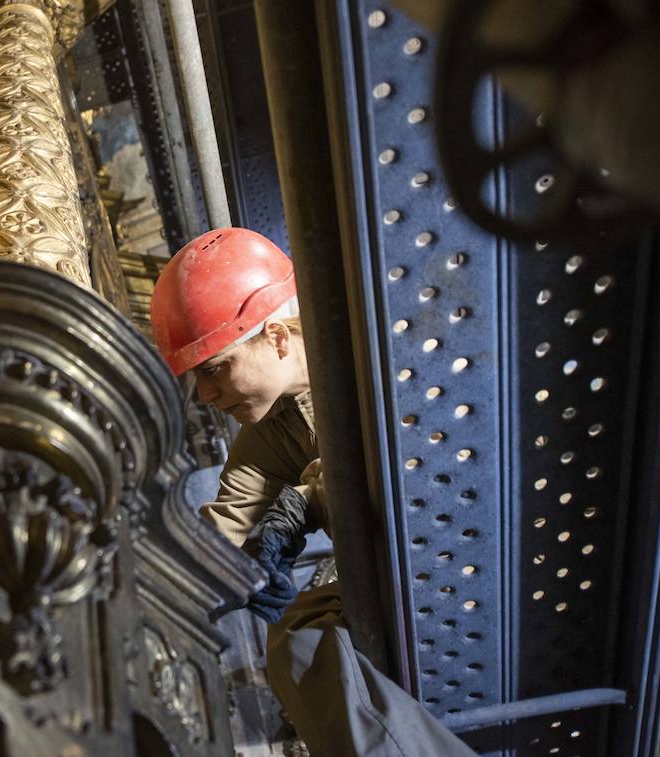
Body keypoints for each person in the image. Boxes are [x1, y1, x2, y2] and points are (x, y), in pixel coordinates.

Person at [150, 227, 474, 757]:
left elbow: (414, 474)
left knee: (308, 640)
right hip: (394, 574)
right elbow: (219, 533)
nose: (205, 395)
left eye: (213, 370)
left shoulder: (381, 348)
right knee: (297, 637)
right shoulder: (274, 428)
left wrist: (304, 501)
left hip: (460, 555)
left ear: (277, 337)